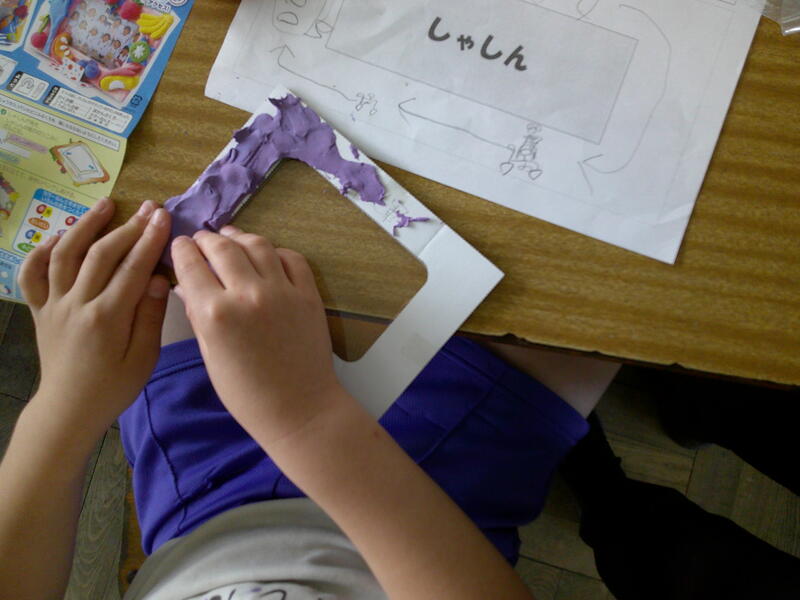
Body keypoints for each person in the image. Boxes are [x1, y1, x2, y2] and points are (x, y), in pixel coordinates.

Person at [0, 198, 619, 599]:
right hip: (432, 514)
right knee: (593, 265)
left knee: (150, 256)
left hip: (198, 495)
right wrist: (304, 417)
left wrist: (63, 400)